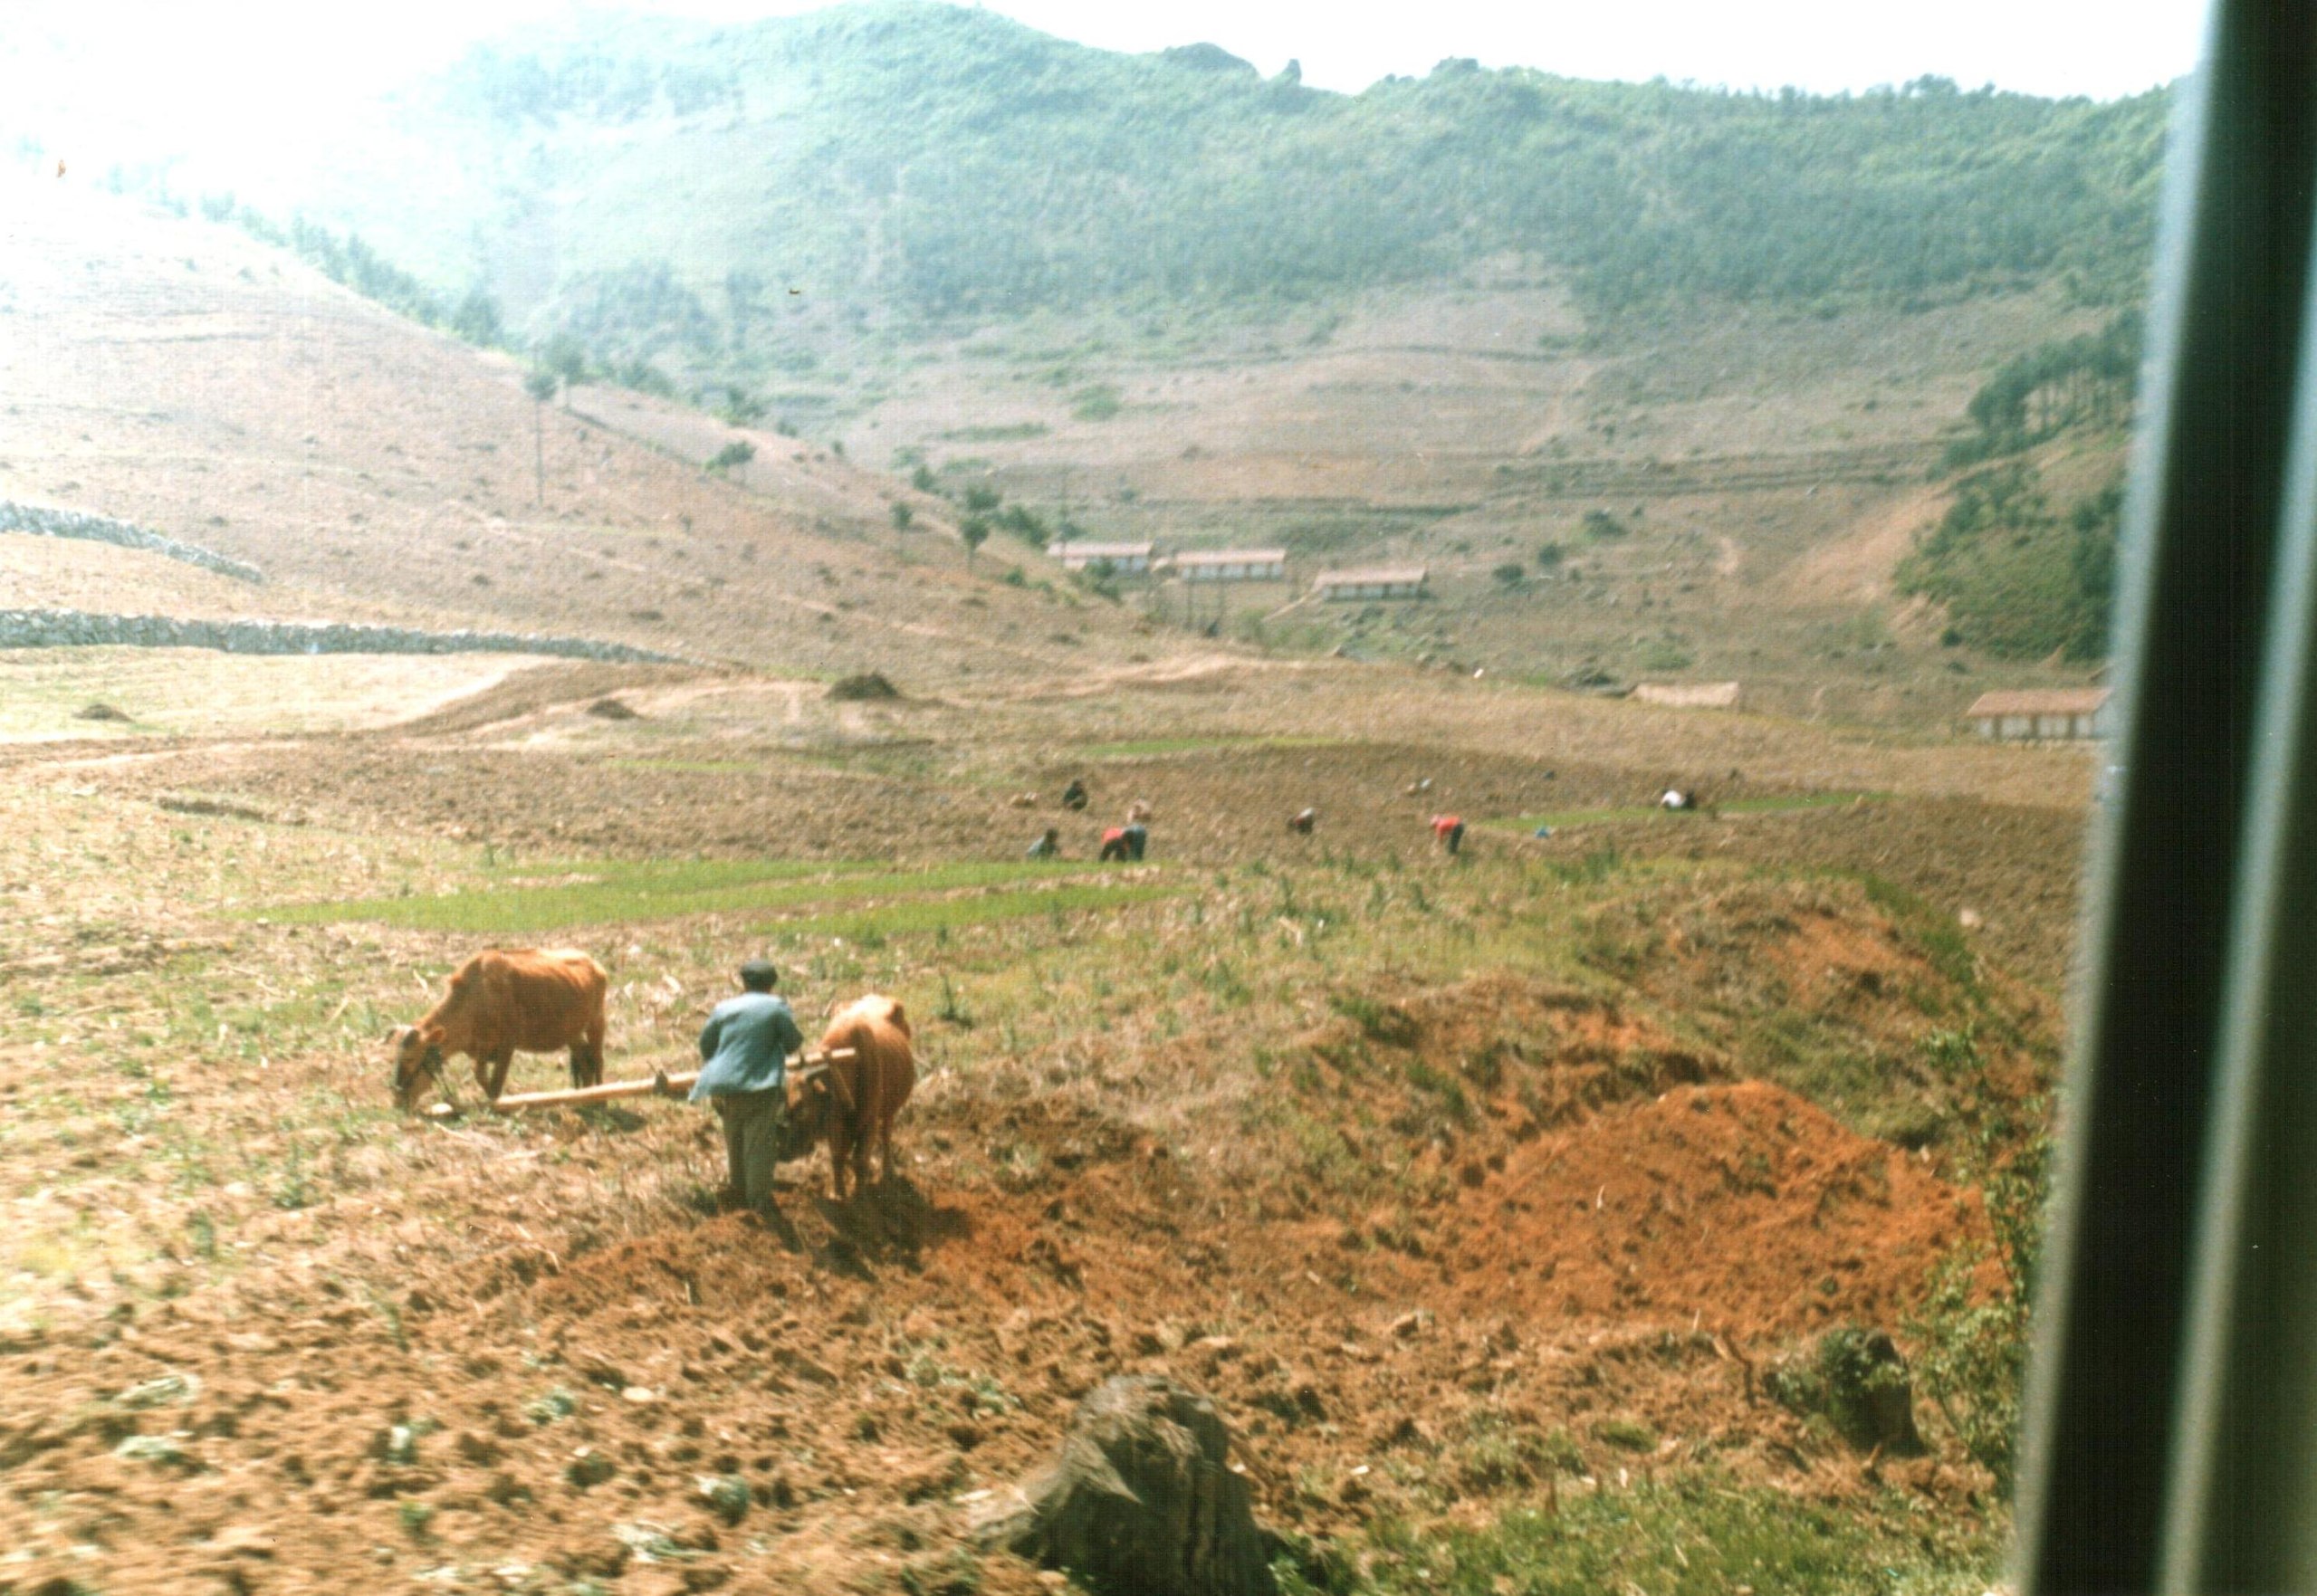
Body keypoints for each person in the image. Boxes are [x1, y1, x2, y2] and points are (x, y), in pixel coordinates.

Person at [685, 959, 803, 1219]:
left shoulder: (723, 1008)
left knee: (735, 1139)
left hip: (725, 1087)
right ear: (771, 985)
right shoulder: (776, 1006)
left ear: (744, 983)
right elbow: (793, 1042)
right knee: (758, 1145)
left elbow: (706, 1046)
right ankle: (759, 1205)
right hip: (759, 1086)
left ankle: (737, 1196)